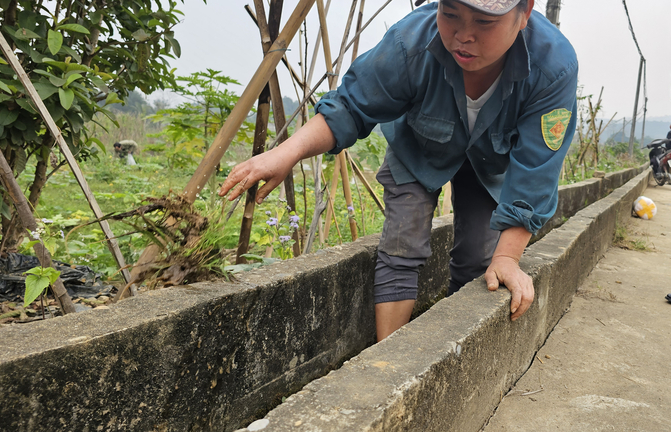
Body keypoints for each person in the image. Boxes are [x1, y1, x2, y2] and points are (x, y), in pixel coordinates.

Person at [220, 0, 578, 341]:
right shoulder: (412, 42)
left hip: (491, 167)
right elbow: (350, 106)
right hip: (419, 151)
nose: (463, 35)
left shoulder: (552, 65)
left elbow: (536, 168)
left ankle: (452, 352)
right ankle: (389, 362)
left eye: (484, 22)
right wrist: (287, 153)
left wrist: (507, 258)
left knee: (481, 265)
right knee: (401, 248)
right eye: (450, 13)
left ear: (524, 11)